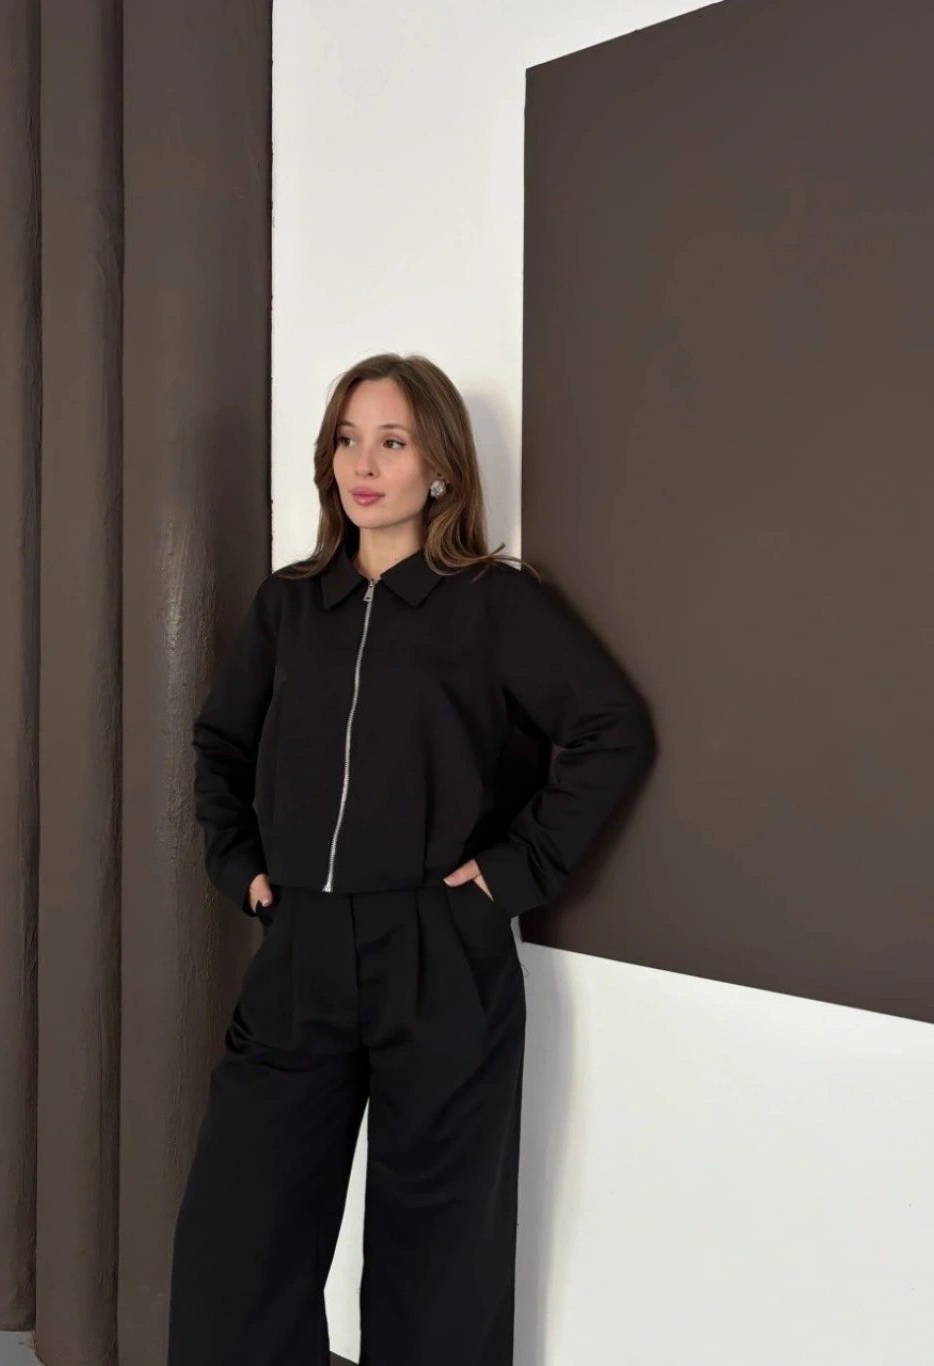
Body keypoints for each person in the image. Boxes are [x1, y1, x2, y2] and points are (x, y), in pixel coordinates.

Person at [166, 353, 655, 1366]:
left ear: (439, 466)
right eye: (348, 439)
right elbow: (219, 743)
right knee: (235, 1246)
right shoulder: (290, 605)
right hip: (300, 946)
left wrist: (511, 875)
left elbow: (611, 728)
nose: (364, 463)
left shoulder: (493, 603)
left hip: (439, 953)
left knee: (438, 1271)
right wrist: (238, 864)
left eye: (392, 441)